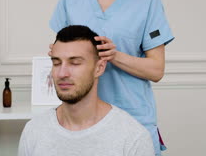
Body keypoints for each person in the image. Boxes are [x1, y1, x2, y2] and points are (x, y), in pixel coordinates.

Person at [49, 0, 174, 155]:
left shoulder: (148, 1)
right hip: (81, 120)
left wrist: (115, 55)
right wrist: (58, 54)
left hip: (133, 116)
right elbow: (63, 55)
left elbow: (156, 70)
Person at [18, 25, 155, 156]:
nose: (62, 73)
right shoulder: (34, 131)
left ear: (99, 68)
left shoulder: (133, 137)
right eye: (56, 63)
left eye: (75, 63)